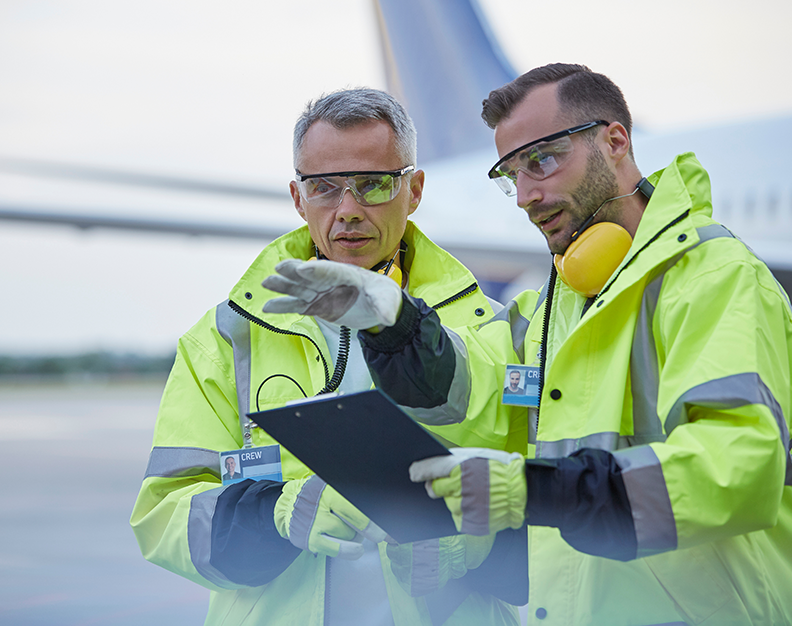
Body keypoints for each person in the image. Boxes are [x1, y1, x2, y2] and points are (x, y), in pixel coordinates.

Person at [263, 65, 792, 624]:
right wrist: (394, 321)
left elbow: (736, 472)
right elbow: (472, 391)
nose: (525, 196)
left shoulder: (713, 280)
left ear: (615, 141)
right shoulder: (559, 306)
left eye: (543, 160)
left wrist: (532, 490)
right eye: (512, 173)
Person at [130, 88, 524, 626]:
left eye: (373, 185)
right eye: (324, 188)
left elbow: (556, 500)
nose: (348, 211)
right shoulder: (227, 337)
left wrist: (475, 549)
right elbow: (163, 517)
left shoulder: (493, 331)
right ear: (297, 197)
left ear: (414, 190)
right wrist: (275, 517)